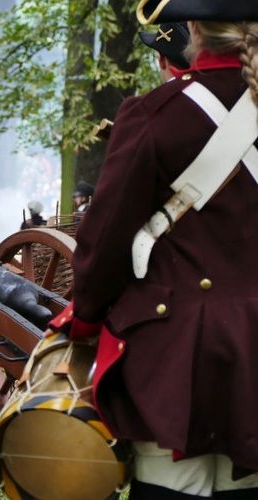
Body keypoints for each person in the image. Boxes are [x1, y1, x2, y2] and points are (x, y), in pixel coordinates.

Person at [48, 1, 258, 497]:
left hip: (175, 359)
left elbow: (103, 246)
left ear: (191, 29)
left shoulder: (152, 115)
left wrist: (84, 318)